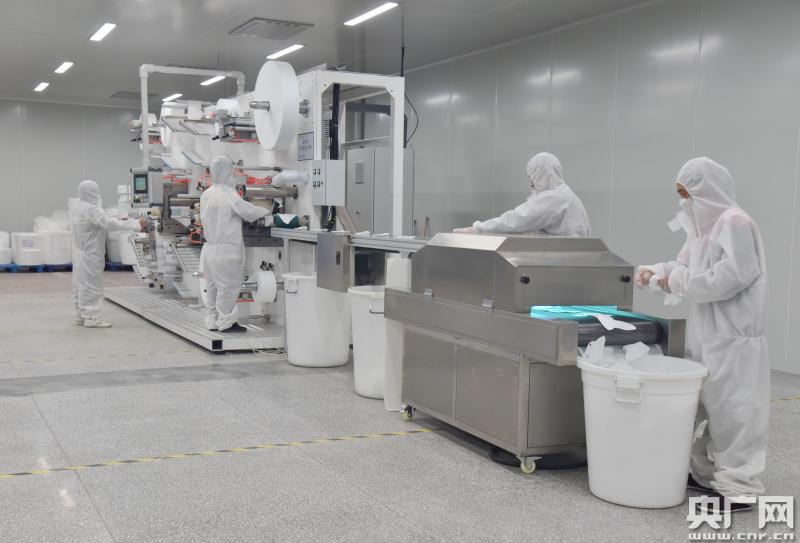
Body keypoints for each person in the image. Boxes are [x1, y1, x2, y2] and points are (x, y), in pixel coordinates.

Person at [637, 157, 769, 513]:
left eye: (687, 193)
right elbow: (684, 267)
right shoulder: (700, 228)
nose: (684, 201)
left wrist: (675, 281)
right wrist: (656, 272)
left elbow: (732, 277)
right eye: (680, 193)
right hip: (709, 336)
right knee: (710, 411)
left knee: (736, 416)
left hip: (735, 338)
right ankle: (707, 474)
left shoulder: (735, 222)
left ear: (708, 190)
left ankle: (739, 487)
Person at [200, 156, 269, 333]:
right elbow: (248, 211)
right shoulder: (228, 193)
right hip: (227, 250)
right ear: (226, 172)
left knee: (212, 286)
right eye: (232, 172)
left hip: (209, 248)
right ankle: (226, 322)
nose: (234, 176)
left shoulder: (206, 194)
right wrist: (268, 210)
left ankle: (213, 320)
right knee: (228, 287)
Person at [453, 152, 591, 236]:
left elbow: (517, 220)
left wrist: (479, 228)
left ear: (542, 174)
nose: (531, 184)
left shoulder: (553, 198)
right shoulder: (568, 196)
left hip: (561, 267)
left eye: (533, 177)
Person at [70, 180, 146, 328]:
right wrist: (136, 224)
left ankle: (81, 315)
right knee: (93, 286)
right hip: (91, 254)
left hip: (79, 253)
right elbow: (109, 224)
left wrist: (122, 217)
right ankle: (92, 318)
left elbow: (102, 220)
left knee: (80, 285)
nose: (98, 194)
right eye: (96, 191)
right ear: (91, 192)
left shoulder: (77, 207)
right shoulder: (92, 209)